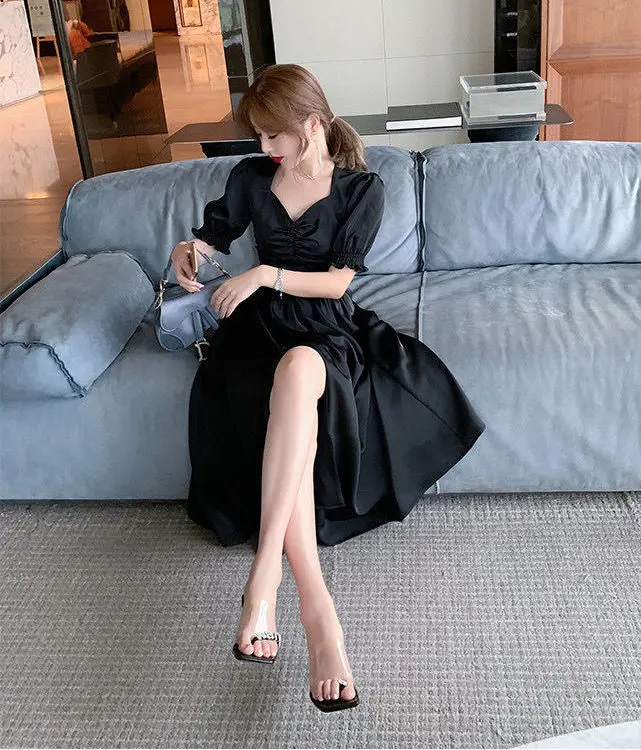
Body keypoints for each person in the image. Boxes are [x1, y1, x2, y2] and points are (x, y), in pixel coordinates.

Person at [169, 63, 486, 713]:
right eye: (258, 137)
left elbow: (339, 283)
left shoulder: (361, 188)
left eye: (274, 136)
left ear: (311, 125)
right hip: (255, 332)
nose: (264, 149)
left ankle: (264, 581)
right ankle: (319, 618)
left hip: (325, 329)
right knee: (282, 390)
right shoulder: (251, 178)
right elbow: (213, 237)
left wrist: (264, 275)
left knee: (300, 371)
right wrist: (189, 250)